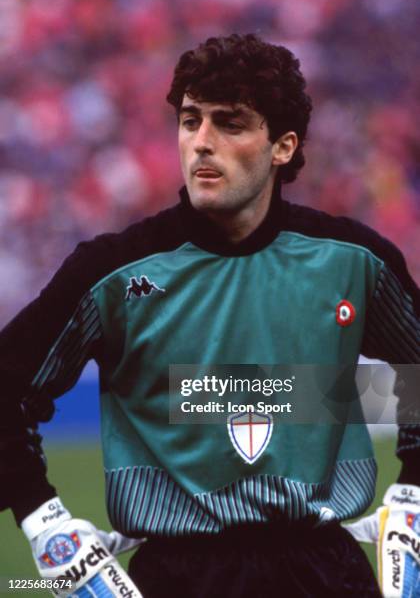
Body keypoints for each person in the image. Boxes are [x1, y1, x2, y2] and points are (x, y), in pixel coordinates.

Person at [0, 33, 419, 597]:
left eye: (230, 123)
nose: (201, 142)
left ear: (283, 147)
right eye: (190, 120)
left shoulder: (353, 261)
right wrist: (42, 521)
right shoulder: (112, 272)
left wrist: (414, 489)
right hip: (175, 578)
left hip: (325, 573)